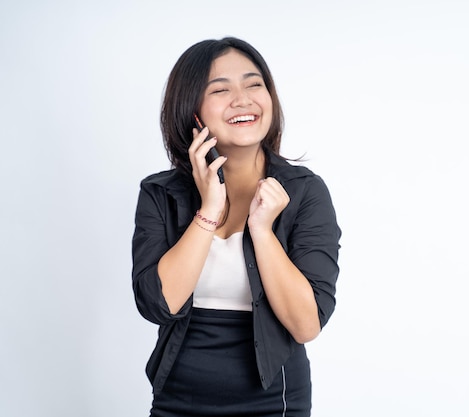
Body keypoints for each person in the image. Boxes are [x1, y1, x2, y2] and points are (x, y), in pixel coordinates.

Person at [131, 37, 341, 417]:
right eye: (221, 89)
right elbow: (159, 304)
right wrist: (210, 209)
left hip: (273, 402)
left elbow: (306, 325)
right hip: (177, 400)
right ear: (192, 111)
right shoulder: (160, 192)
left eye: (254, 84)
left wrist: (261, 230)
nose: (243, 99)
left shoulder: (304, 192)